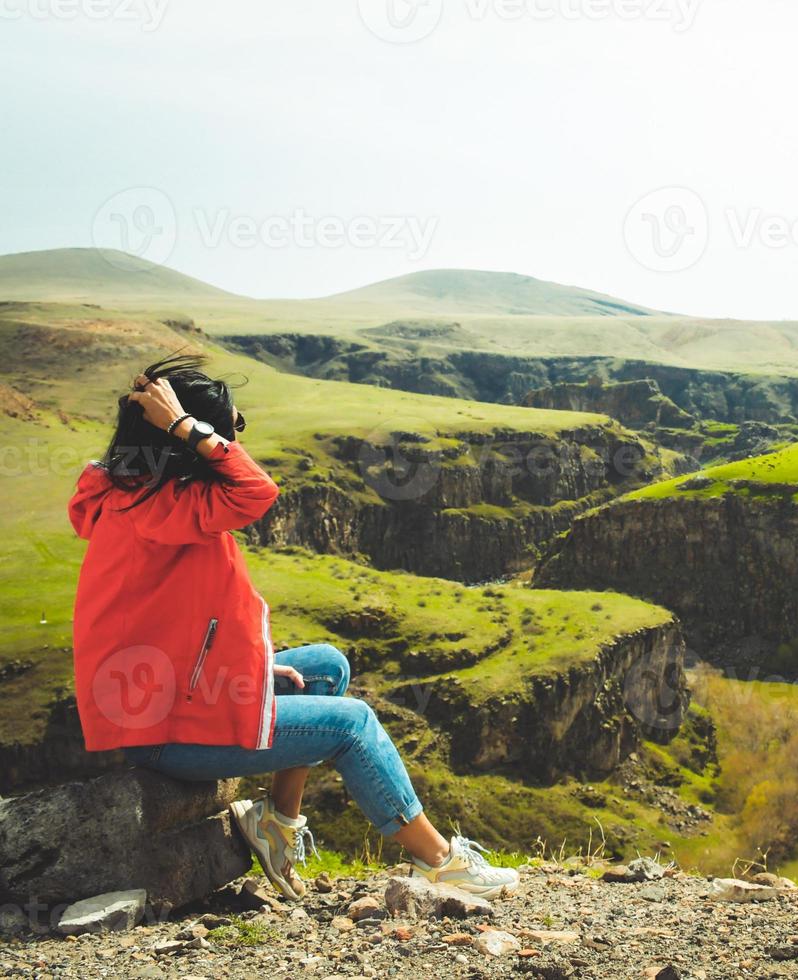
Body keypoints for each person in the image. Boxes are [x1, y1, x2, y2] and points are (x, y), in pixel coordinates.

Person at [67, 353, 518, 901]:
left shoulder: (137, 497)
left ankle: (276, 826)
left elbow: (170, 623)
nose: (236, 435)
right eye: (233, 425)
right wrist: (192, 427)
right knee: (353, 724)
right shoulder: (161, 507)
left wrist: (252, 663)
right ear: (180, 436)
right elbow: (256, 490)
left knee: (327, 665)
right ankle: (443, 864)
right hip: (166, 731)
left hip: (173, 698)